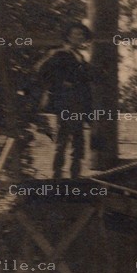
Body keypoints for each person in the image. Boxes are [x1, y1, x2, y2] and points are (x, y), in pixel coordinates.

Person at [35, 22, 95, 179]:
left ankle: (75, 175)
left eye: (82, 35)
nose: (79, 37)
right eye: (76, 34)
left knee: (79, 141)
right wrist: (60, 84)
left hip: (80, 104)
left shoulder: (81, 58)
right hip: (66, 103)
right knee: (63, 138)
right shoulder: (60, 54)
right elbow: (41, 71)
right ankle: (57, 175)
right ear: (68, 37)